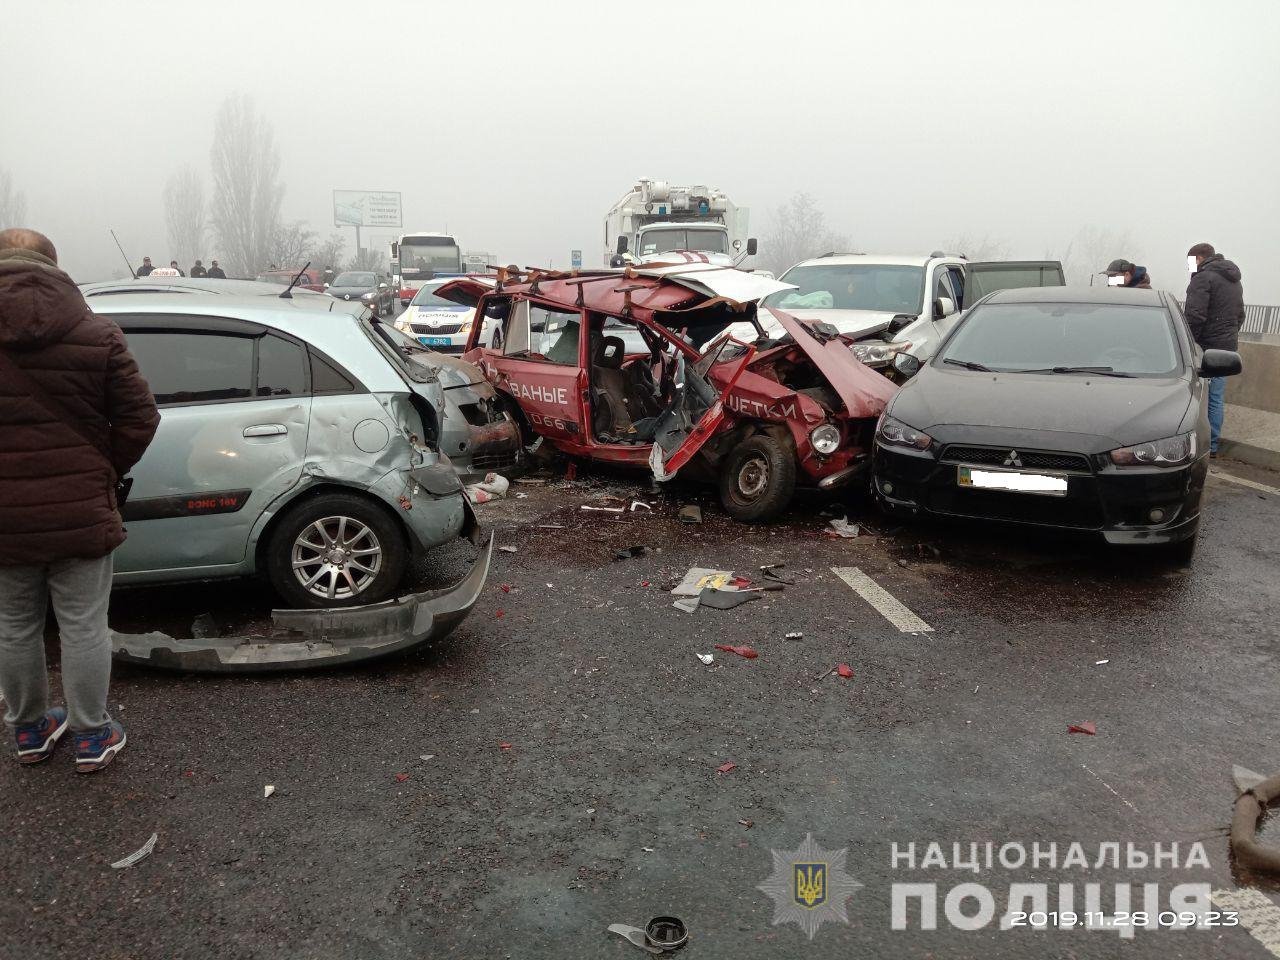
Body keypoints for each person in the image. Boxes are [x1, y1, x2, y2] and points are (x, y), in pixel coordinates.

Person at [0, 228, 160, 773]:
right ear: (53, 266)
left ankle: (29, 730)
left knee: (13, 625)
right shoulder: (98, 334)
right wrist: (104, 468)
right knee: (84, 625)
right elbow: (141, 417)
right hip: (80, 508)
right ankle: (92, 736)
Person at [1184, 242, 1245, 458]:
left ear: (1199, 258)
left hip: (1205, 347)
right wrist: (1227, 337)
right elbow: (1240, 315)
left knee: (1197, 397)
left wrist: (1188, 342)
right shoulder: (1234, 280)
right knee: (1216, 398)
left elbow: (1195, 315)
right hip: (1227, 348)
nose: (1189, 266)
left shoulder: (1202, 278)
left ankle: (1199, 444)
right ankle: (1213, 444)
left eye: (1190, 261)